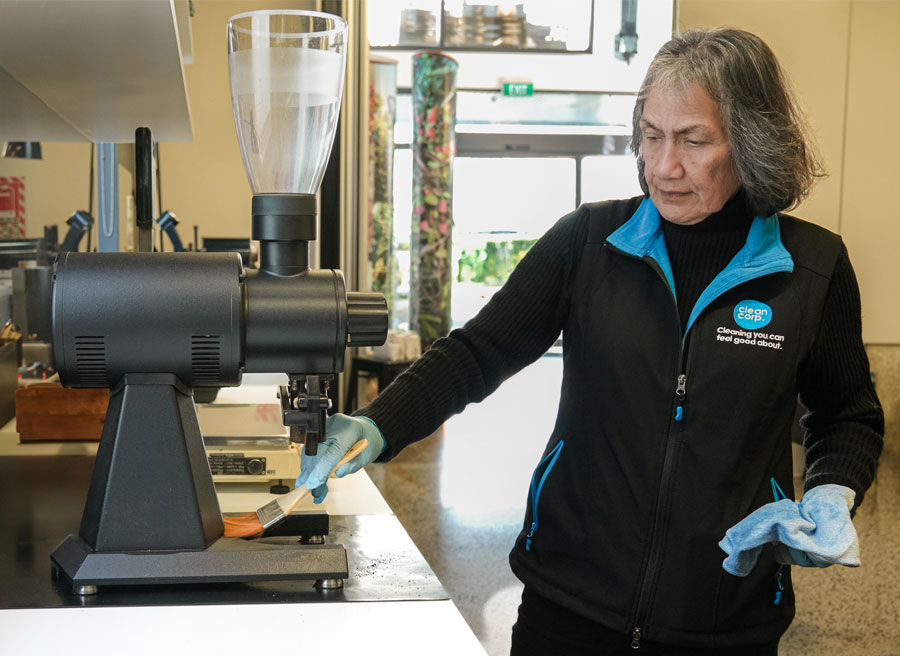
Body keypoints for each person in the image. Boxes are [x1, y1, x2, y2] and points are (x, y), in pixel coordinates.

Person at [297, 28, 884, 655]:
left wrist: (830, 493)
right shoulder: (587, 242)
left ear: (750, 142)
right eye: (653, 135)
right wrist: (376, 423)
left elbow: (846, 413)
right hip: (568, 600)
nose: (665, 165)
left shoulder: (812, 267)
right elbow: (479, 352)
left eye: (693, 140)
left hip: (725, 612)